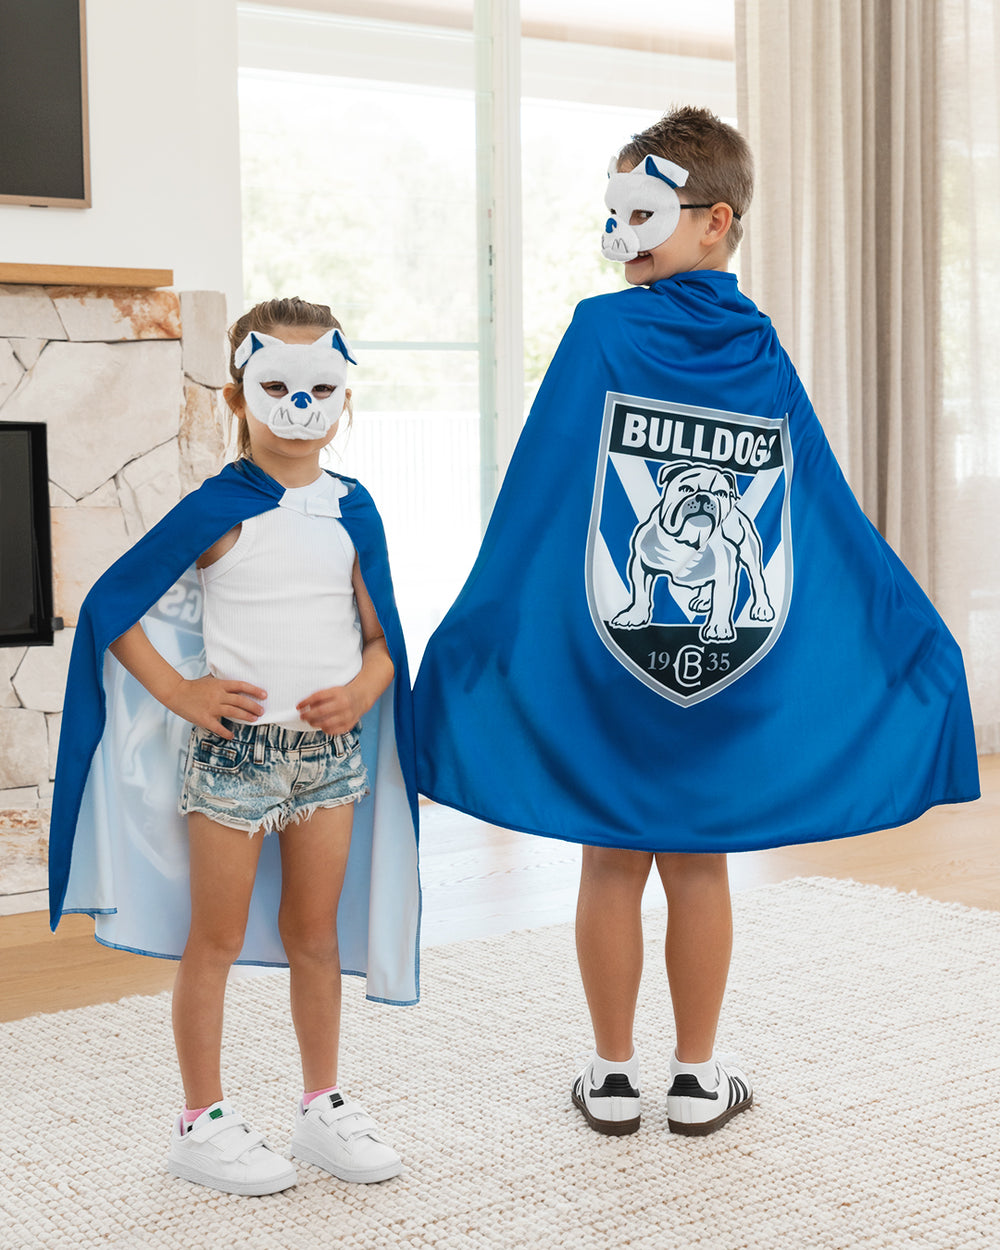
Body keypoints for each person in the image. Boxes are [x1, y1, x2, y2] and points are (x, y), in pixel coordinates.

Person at [413, 108, 979, 1138]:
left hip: (613, 661)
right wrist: (896, 618)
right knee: (695, 858)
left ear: (712, 220)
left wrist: (486, 621)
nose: (619, 238)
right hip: (717, 665)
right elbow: (815, 510)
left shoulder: (599, 332)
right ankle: (695, 1075)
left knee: (610, 856)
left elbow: (542, 498)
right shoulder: (757, 348)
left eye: (640, 214)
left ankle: (614, 1073)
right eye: (611, 215)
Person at [49, 297, 421, 1194]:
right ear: (237, 397)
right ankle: (200, 1121)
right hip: (236, 763)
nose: (302, 407)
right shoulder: (218, 508)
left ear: (346, 400)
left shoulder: (354, 510)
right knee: (211, 939)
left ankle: (321, 1104)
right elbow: (109, 606)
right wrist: (180, 690)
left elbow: (383, 638)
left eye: (323, 388)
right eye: (279, 387)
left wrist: (367, 690)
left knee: (316, 936)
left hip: (328, 764)